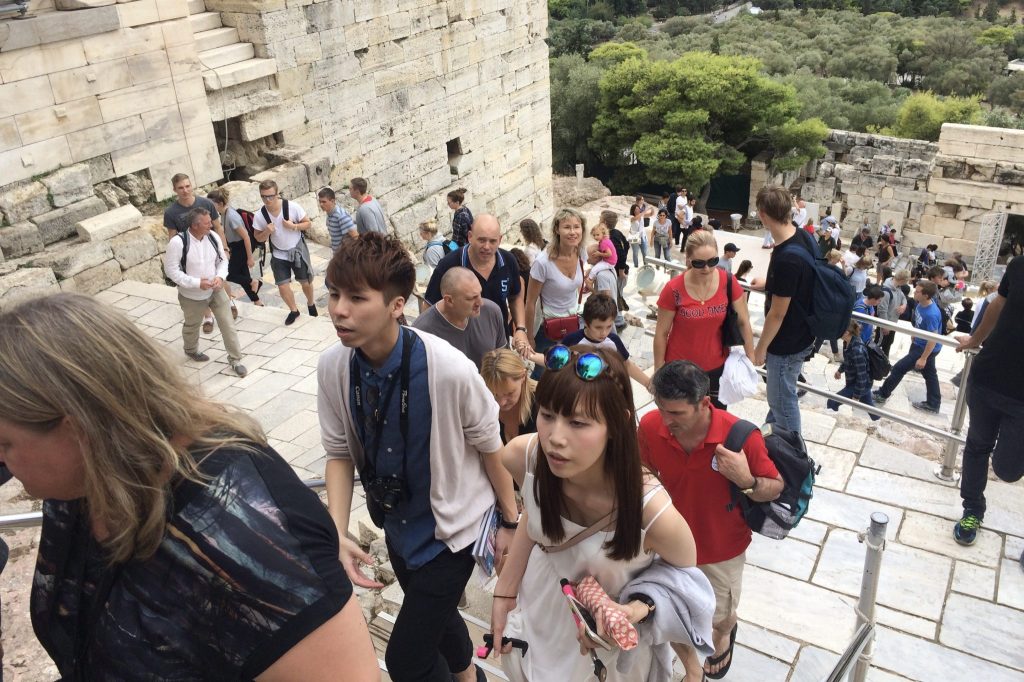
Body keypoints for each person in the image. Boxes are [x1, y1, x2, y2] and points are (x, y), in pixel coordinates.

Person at [0, 293, 379, 681]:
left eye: (5, 442)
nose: (2, 463)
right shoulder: (79, 486)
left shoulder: (247, 535)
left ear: (76, 429)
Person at [318, 233, 516, 682]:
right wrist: (337, 529)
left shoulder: (447, 368)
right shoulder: (334, 366)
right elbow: (337, 453)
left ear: (396, 305)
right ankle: (471, 677)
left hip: (452, 533)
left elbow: (490, 446)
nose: (338, 310)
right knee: (440, 620)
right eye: (333, 294)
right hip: (397, 524)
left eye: (356, 297)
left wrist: (509, 522)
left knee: (408, 660)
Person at [489, 347, 698, 681]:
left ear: (618, 425)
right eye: (547, 415)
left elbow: (687, 590)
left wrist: (635, 611)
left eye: (578, 423)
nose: (555, 438)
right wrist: (505, 591)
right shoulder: (523, 457)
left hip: (608, 648)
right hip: (538, 619)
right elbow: (535, 511)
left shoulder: (654, 515)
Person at [639, 361, 783, 681]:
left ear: (704, 403)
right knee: (672, 612)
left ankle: (725, 631)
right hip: (669, 543)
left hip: (722, 549)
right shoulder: (650, 426)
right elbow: (642, 469)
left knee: (718, 615)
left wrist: (746, 479)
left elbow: (773, 487)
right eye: (661, 408)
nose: (666, 420)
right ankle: (692, 669)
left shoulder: (741, 435)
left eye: (676, 413)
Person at [953, 256, 1024, 554]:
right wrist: (975, 338)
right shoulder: (1019, 265)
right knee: (977, 446)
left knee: (1007, 469)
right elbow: (998, 304)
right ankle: (972, 511)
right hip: (989, 376)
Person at [654, 230, 755, 409]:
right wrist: (658, 370)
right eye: (699, 263)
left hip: (717, 369)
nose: (707, 268)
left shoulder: (729, 283)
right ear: (688, 260)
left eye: (713, 261)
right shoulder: (673, 289)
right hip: (680, 370)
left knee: (714, 420)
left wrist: (750, 357)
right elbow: (661, 333)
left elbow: (743, 321)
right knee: (682, 423)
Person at [752, 185, 815, 433]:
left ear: (763, 215)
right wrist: (770, 285)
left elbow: (777, 314)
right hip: (803, 333)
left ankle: (794, 456)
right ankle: (770, 436)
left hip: (786, 342)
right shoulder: (802, 236)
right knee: (779, 395)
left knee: (783, 401)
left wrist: (760, 349)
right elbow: (800, 281)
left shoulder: (787, 258)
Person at [163, 207, 247, 377]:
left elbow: (222, 261)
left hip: (216, 290)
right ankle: (191, 350)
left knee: (227, 324)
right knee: (192, 325)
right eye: (207, 223)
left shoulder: (213, 237)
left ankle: (236, 360)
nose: (212, 225)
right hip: (191, 296)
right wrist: (196, 283)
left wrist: (220, 277)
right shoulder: (178, 243)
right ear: (195, 225)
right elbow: (171, 270)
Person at [424, 214, 527, 344]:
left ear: (500, 240)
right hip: (462, 347)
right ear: (470, 237)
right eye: (481, 240)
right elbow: (429, 306)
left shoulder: (508, 261)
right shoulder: (449, 264)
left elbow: (514, 296)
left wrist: (521, 328)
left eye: (492, 241)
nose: (487, 247)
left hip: (499, 342)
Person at [521, 293, 648, 389]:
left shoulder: (613, 340)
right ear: (586, 323)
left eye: (609, 326)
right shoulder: (573, 340)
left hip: (604, 392)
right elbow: (553, 360)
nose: (604, 333)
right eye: (598, 327)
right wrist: (528, 353)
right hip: (577, 392)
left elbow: (628, 365)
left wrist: (648, 384)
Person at [164, 172, 226, 334]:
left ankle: (228, 302)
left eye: (187, 186)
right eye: (180, 188)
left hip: (209, 246)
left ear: (191, 186)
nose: (185, 190)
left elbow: (218, 227)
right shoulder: (171, 212)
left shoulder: (205, 203)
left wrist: (224, 248)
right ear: (174, 190)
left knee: (220, 274)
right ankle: (207, 317)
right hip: (189, 252)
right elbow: (172, 236)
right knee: (199, 282)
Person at [251, 179, 318, 326]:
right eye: (264, 197)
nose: (267, 200)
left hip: (297, 250)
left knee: (305, 282)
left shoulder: (292, 207)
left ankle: (311, 303)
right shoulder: (260, 215)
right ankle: (294, 310)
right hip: (279, 253)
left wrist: (293, 226)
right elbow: (257, 237)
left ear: (277, 194)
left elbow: (308, 223)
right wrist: (266, 232)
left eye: (270, 196)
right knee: (282, 285)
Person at [412, 267, 506, 369]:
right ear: (449, 300)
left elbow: (503, 363)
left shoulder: (491, 312)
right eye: (471, 298)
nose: (480, 303)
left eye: (479, 294)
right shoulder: (422, 332)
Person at [872, 281, 943, 414]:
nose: (914, 292)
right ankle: (934, 403)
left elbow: (933, 339)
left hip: (924, 348)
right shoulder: (920, 303)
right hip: (919, 343)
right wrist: (915, 333)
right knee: (930, 374)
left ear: (926, 295)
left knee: (899, 368)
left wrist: (923, 358)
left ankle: (882, 394)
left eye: (917, 291)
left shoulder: (932, 314)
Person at [524, 208, 586, 358]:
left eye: (576, 227)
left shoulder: (580, 252)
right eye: (567, 227)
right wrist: (530, 337)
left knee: (570, 370)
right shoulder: (543, 263)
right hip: (547, 329)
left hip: (573, 323)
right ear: (557, 230)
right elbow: (530, 302)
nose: (573, 232)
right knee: (545, 374)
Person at [207, 187, 262, 308]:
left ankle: (254, 282)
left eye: (211, 205)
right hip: (236, 247)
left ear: (220, 203)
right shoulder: (223, 213)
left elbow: (246, 237)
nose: (209, 208)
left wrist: (250, 258)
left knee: (228, 274)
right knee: (243, 274)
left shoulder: (232, 217)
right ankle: (257, 301)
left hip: (241, 247)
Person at [827, 319, 880, 421]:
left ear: (846, 332)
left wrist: (856, 396)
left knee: (832, 402)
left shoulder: (857, 350)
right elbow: (848, 360)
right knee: (870, 408)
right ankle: (879, 423)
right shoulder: (848, 343)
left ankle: (831, 422)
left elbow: (862, 376)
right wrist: (840, 370)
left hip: (859, 385)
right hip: (862, 384)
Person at [480, 349, 538, 443]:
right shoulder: (480, 404)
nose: (501, 403)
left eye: (509, 393)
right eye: (494, 395)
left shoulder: (542, 400)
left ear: (523, 376)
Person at [876, 269, 910, 357]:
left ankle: (885, 363)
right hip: (886, 324)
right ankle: (874, 364)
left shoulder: (898, 287)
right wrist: (885, 326)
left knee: (888, 343)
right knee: (879, 344)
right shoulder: (886, 292)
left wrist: (904, 306)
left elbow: (904, 298)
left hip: (892, 323)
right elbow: (882, 310)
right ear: (903, 280)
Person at [319, 186, 357, 251]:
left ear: (332, 201)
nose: (321, 204)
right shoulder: (329, 214)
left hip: (345, 256)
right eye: (320, 201)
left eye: (324, 202)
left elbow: (355, 237)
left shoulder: (341, 216)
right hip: (337, 254)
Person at [628, 203, 649, 268]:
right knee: (635, 253)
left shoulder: (641, 215)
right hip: (634, 237)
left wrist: (652, 210)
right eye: (636, 209)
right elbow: (635, 218)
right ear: (633, 211)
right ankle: (636, 266)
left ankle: (646, 266)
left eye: (638, 209)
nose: (638, 210)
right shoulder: (631, 217)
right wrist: (643, 212)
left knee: (645, 253)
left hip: (642, 236)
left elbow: (650, 214)